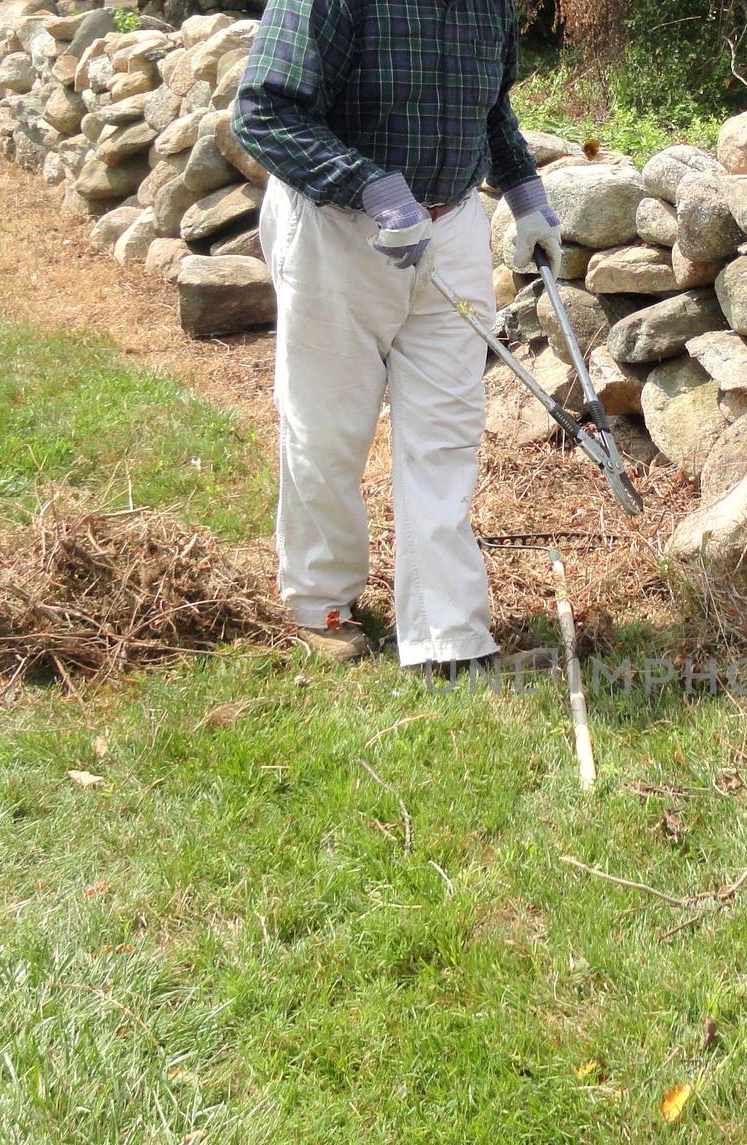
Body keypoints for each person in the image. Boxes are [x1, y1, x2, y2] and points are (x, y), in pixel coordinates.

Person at [233, 0, 563, 666]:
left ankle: (448, 637)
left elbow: (490, 109)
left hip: (453, 228)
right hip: (337, 230)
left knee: (446, 434)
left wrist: (525, 189)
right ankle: (319, 604)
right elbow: (264, 112)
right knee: (328, 427)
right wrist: (371, 188)